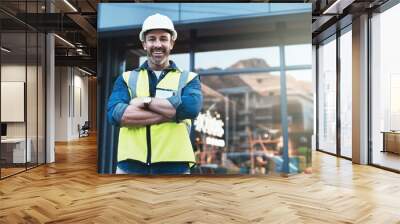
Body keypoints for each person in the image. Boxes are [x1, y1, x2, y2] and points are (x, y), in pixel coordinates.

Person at [107, 13, 203, 175]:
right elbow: (117, 115)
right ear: (144, 44)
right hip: (130, 166)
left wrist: (145, 102)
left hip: (175, 166)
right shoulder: (127, 78)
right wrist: (174, 113)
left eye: (163, 38)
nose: (158, 44)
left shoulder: (188, 79)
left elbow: (191, 109)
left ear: (171, 43)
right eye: (152, 39)